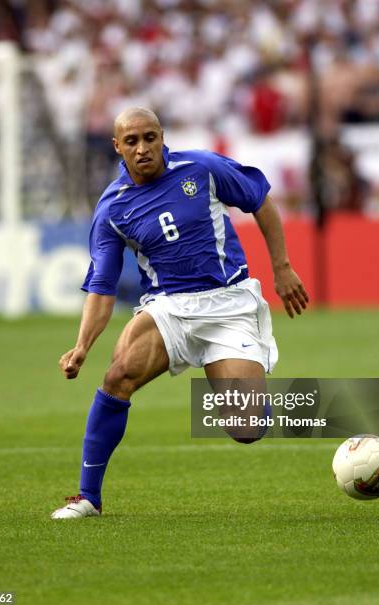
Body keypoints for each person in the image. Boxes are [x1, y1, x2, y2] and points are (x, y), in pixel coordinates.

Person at [51, 107, 308, 519]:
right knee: (118, 375)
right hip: (169, 308)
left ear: (162, 137)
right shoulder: (112, 209)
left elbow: (259, 199)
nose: (142, 148)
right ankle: (88, 497)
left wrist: (281, 268)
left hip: (229, 304)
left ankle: (247, 386)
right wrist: (82, 346)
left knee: (246, 429)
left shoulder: (202, 168)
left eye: (149, 137)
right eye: (131, 142)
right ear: (117, 147)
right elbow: (102, 287)